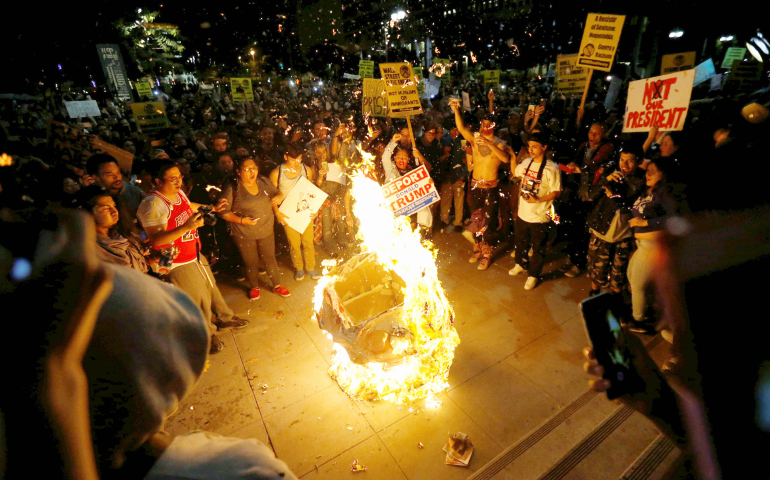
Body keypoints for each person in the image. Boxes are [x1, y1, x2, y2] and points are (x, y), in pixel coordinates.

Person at [136, 159, 249, 354]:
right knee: (198, 299)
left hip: (192, 252)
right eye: (172, 179)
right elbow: (156, 241)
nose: (179, 182)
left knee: (210, 287)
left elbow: (189, 205)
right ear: (157, 181)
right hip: (176, 261)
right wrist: (187, 227)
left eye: (179, 177)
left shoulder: (177, 193)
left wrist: (210, 208)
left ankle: (224, 317)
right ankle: (207, 335)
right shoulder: (153, 204)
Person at [219, 156, 291, 299]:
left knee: (270, 259)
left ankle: (277, 286)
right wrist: (241, 220)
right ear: (239, 172)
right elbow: (223, 212)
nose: (252, 172)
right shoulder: (233, 187)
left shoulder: (263, 181)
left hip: (265, 229)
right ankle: (254, 286)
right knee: (250, 262)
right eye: (247, 169)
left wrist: (280, 196)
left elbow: (276, 192)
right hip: (243, 232)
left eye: (254, 168)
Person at [450, 101, 510, 270]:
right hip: (476, 186)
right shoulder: (475, 139)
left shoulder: (499, 142)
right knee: (476, 220)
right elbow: (461, 129)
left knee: (487, 223)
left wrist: (489, 144)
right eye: (482, 124)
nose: (484, 127)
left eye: (488, 124)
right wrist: (455, 110)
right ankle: (477, 249)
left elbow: (505, 159)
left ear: (494, 125)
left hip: (490, 188)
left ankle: (487, 254)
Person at [625, 158, 678, 333]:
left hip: (652, 245)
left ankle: (639, 320)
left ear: (663, 174)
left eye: (653, 171)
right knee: (631, 276)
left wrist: (646, 223)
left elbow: (671, 219)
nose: (648, 174)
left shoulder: (665, 194)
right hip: (641, 245)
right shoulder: (646, 192)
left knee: (638, 283)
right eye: (648, 170)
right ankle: (643, 311)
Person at [585, 147, 646, 297]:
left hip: (624, 233)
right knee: (597, 268)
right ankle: (595, 294)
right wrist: (606, 180)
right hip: (601, 229)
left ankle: (617, 302)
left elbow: (631, 205)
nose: (624, 165)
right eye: (622, 160)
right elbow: (590, 196)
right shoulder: (610, 173)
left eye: (630, 161)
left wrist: (613, 195)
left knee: (618, 272)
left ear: (638, 162)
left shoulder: (641, 181)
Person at [558, 123, 614, 278]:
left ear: (603, 135)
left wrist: (581, 168)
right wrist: (571, 165)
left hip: (592, 196)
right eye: (591, 132)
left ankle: (580, 263)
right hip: (578, 193)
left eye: (597, 133)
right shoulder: (583, 146)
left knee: (584, 232)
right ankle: (572, 258)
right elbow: (576, 161)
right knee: (573, 228)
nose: (592, 136)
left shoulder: (607, 148)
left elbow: (595, 163)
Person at [509, 132, 562, 290]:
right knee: (520, 243)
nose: (530, 149)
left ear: (544, 148)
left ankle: (534, 275)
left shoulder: (551, 168)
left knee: (538, 247)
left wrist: (537, 200)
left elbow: (556, 192)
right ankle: (521, 264)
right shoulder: (526, 162)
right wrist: (512, 156)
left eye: (535, 147)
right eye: (529, 146)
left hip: (540, 216)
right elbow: (515, 172)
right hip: (523, 212)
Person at [269, 144, 320, 281]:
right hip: (288, 213)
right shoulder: (276, 173)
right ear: (286, 157)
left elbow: (311, 191)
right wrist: (277, 213)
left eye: (299, 159)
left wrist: (314, 209)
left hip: (304, 210)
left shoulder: (307, 170)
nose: (297, 163)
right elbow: (272, 197)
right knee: (294, 243)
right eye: (293, 160)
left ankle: (311, 267)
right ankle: (299, 268)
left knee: (308, 242)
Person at [77, 185, 149, 273]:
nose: (114, 212)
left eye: (114, 206)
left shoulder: (119, 235)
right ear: (88, 214)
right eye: (106, 209)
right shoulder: (90, 250)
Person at [438, 125, 468, 232]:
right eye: (452, 129)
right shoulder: (444, 140)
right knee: (445, 200)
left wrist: (463, 175)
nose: (454, 132)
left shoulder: (463, 143)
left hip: (458, 175)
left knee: (459, 200)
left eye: (456, 129)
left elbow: (467, 161)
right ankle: (444, 219)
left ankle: (458, 222)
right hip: (446, 175)